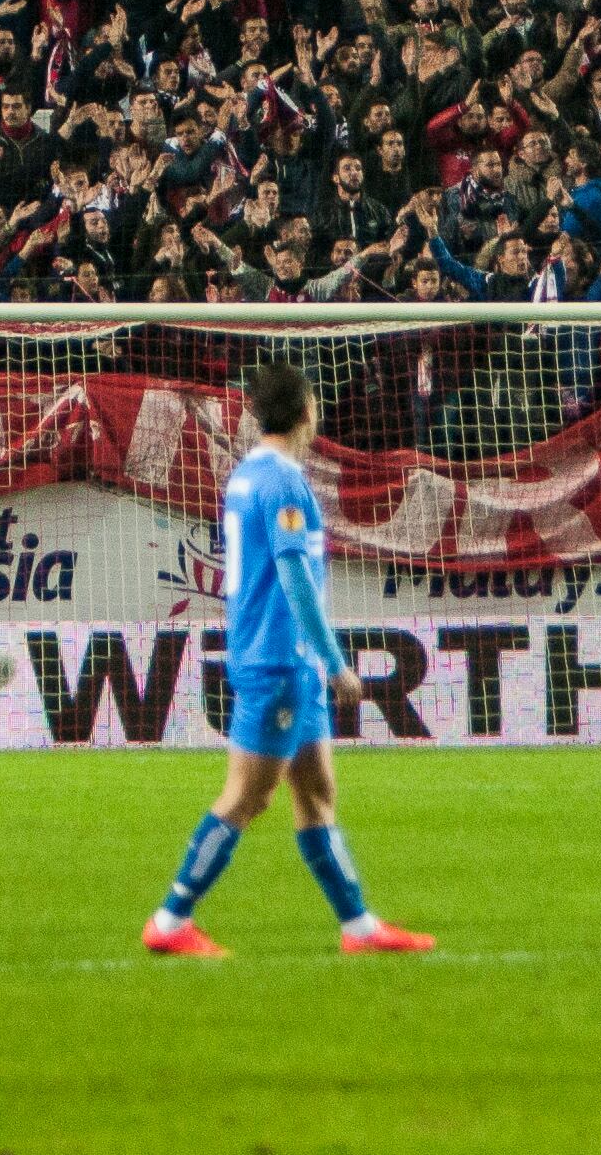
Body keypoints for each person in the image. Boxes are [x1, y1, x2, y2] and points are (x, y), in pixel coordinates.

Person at [143, 361, 435, 958]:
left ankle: (358, 927)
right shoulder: (283, 483)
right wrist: (335, 661)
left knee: (317, 792)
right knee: (248, 797)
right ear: (307, 411)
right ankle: (171, 920)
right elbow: (295, 575)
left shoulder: (248, 475)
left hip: (285, 661)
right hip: (279, 657)